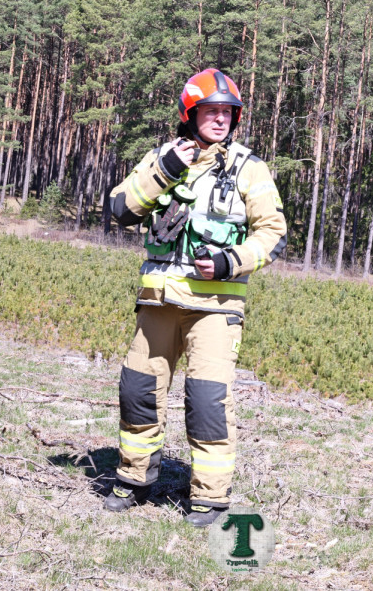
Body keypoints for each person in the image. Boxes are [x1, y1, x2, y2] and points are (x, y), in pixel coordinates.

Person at [106, 68, 287, 527]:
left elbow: (274, 233)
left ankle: (210, 498)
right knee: (138, 391)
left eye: (228, 112)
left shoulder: (250, 168)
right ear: (191, 113)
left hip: (215, 308)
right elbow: (119, 209)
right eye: (211, 110)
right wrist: (166, 171)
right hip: (158, 302)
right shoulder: (161, 158)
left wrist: (229, 262)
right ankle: (134, 478)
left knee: (206, 402)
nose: (221, 119)